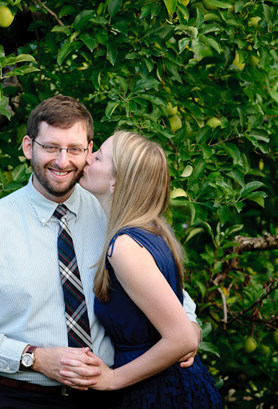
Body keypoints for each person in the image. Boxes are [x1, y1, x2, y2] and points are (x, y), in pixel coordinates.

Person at [0, 95, 202, 409]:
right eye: (51, 147)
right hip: (19, 399)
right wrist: (33, 358)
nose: (63, 161)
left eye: (75, 149)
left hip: (111, 398)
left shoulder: (112, 215)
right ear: (28, 147)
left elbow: (163, 290)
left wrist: (189, 329)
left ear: (89, 152)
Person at [56, 131, 223, 408]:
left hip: (155, 390)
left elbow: (180, 338)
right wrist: (191, 330)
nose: (87, 159)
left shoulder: (124, 246)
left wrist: (112, 379)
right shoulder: (152, 229)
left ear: (115, 181)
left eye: (97, 157)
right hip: (168, 382)